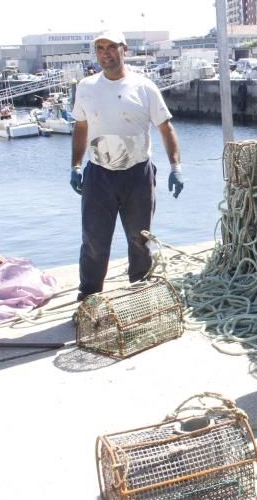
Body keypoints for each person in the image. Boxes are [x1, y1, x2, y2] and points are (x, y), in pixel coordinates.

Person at [69, 29, 184, 301]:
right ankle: (89, 297)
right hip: (99, 175)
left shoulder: (144, 87)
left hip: (137, 175)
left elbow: (166, 129)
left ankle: (139, 295)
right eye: (100, 48)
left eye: (111, 47)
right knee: (94, 243)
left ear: (124, 50)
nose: (106, 53)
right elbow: (81, 127)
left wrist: (175, 167)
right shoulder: (86, 88)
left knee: (140, 240)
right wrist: (75, 165)